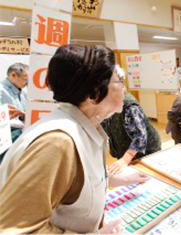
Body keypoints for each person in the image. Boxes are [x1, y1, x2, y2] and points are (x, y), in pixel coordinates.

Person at [0, 44, 150, 234]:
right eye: (119, 82)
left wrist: (122, 179)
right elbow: (15, 229)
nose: (124, 89)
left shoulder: (83, 126)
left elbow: (78, 180)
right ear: (93, 94)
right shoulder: (57, 142)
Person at [102, 66, 161, 175]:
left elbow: (140, 137)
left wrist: (125, 160)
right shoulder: (107, 101)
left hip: (147, 150)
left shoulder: (129, 105)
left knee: (146, 176)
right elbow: (104, 126)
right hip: (125, 148)